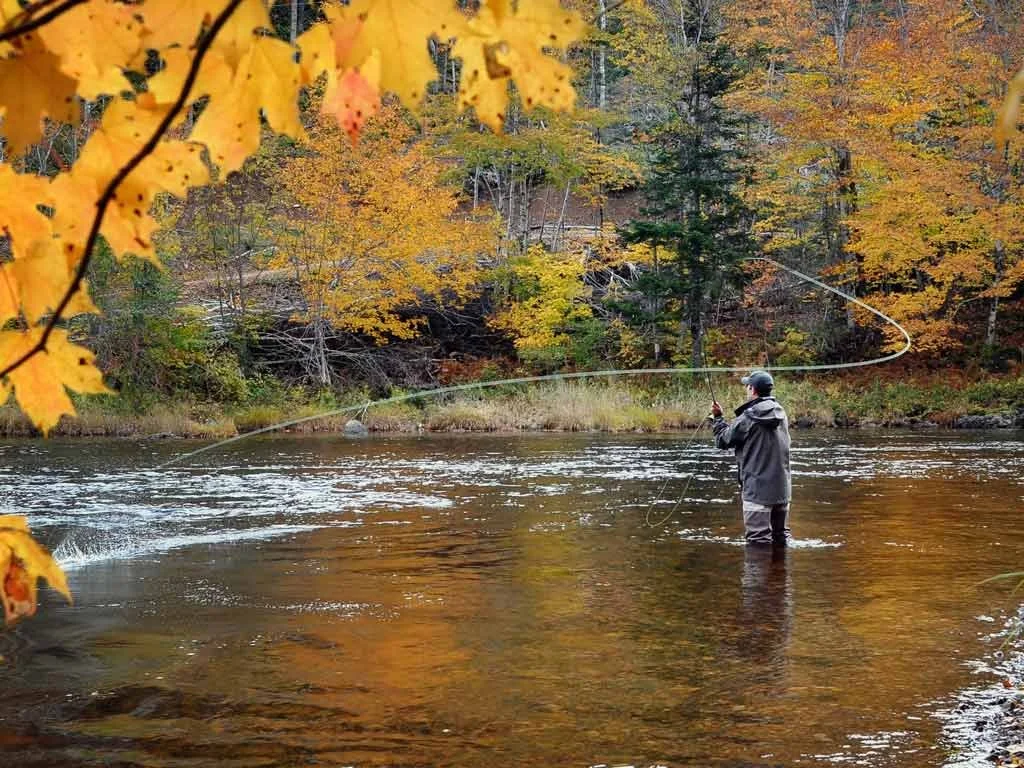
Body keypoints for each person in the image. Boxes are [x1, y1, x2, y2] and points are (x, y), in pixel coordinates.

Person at [710, 370, 792, 545]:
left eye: (747, 386)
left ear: (753, 390)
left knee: (757, 542)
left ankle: (759, 574)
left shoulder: (749, 416)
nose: (746, 389)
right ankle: (781, 572)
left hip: (757, 491)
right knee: (780, 538)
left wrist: (718, 418)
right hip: (782, 491)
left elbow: (723, 441)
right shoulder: (781, 413)